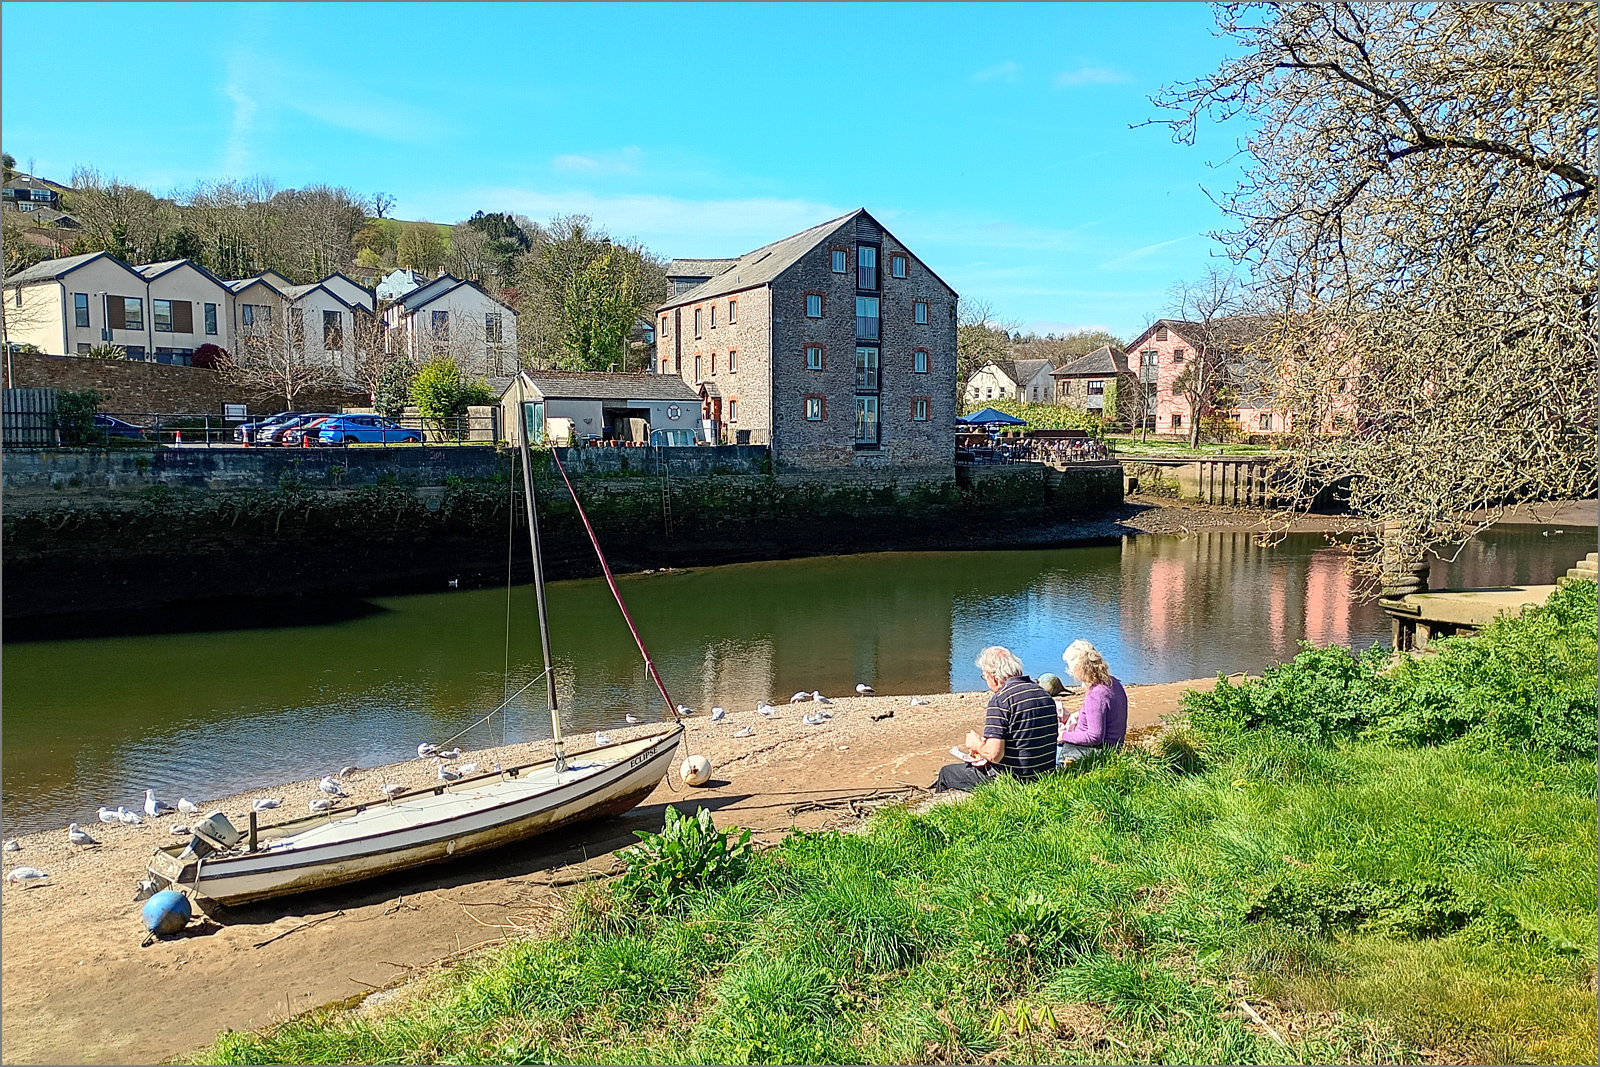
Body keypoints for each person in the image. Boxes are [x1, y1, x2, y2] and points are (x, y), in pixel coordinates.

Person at [933, 646, 1058, 791]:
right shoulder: (1043, 694)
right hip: (1045, 774)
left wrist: (976, 745)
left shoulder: (1001, 700)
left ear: (993, 676)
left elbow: (995, 755)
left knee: (947, 773)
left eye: (984, 676)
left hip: (1014, 780)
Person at [1056, 640, 1128, 767]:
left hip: (1096, 753)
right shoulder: (1113, 683)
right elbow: (1105, 712)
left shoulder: (1096, 695)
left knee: (1044, 752)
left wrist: (1064, 735)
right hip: (1114, 748)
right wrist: (1079, 714)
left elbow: (1095, 737)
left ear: (1078, 669)